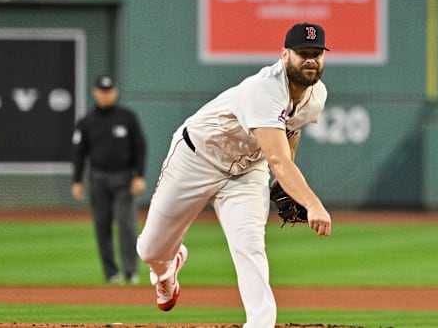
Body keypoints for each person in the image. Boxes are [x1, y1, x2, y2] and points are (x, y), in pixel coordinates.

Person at [136, 22, 333, 327]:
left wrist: (284, 184)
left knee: (250, 245)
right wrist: (312, 203)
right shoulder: (264, 89)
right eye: (303, 53)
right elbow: (278, 160)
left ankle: (260, 323)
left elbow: (290, 133)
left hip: (246, 171)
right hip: (196, 159)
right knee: (149, 248)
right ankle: (165, 270)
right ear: (284, 55)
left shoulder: (316, 95)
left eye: (317, 54)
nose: (310, 59)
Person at [72, 74, 147, 285]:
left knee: (127, 225)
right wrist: (76, 180)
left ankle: (131, 272)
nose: (105, 95)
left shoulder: (127, 117)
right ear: (95, 92)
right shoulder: (87, 122)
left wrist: (139, 175)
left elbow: (139, 147)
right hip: (98, 178)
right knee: (102, 225)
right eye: (102, 91)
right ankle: (110, 273)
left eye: (109, 91)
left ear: (115, 92)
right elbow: (78, 152)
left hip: (124, 177)